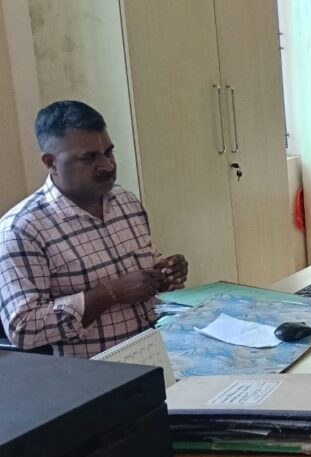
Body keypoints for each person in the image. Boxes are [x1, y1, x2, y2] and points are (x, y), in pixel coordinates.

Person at [0, 100, 188, 357]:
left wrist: (162, 273)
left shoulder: (125, 202)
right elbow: (24, 329)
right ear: (51, 163)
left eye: (108, 152)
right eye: (89, 158)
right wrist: (110, 294)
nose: (107, 166)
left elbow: (140, 271)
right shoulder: (22, 230)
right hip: (92, 373)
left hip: (152, 355)